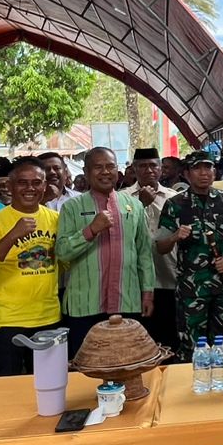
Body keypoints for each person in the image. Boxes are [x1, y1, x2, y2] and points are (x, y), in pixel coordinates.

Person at [56, 147, 154, 358]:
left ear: (118, 170)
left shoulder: (134, 206)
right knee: (85, 364)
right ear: (86, 171)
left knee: (126, 361)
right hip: (84, 305)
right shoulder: (71, 207)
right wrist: (91, 230)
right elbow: (62, 252)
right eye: (98, 167)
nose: (105, 172)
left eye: (110, 166)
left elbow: (144, 253)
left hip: (126, 301)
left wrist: (147, 293)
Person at [0, 156, 60, 376]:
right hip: (6, 322)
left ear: (44, 186)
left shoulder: (55, 219)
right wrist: (13, 235)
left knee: (49, 384)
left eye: (36, 182)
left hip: (48, 317)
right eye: (22, 182)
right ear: (10, 186)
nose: (30, 188)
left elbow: (65, 262)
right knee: (7, 388)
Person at [156, 152, 223, 346]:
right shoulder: (174, 204)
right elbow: (160, 247)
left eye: (208, 167)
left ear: (214, 171)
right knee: (192, 345)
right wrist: (175, 236)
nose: (204, 173)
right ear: (186, 173)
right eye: (197, 168)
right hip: (191, 289)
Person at [124, 147, 180, 355]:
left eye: (153, 166)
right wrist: (141, 204)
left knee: (169, 337)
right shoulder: (123, 198)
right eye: (142, 166)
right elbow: (121, 231)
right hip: (135, 280)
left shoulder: (175, 197)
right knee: (141, 339)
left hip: (168, 275)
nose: (148, 170)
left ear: (160, 169)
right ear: (134, 169)